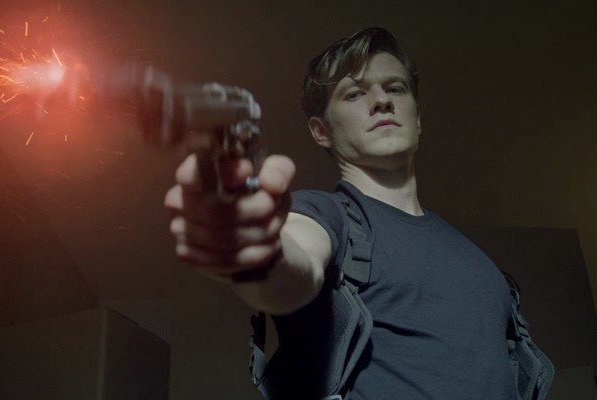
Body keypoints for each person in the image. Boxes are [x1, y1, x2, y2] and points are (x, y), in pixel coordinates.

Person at [165, 27, 550, 399]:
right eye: (354, 94)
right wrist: (257, 250)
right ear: (321, 131)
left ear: (417, 117)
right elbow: (293, 263)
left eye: (395, 88)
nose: (382, 101)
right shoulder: (326, 215)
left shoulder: (486, 269)